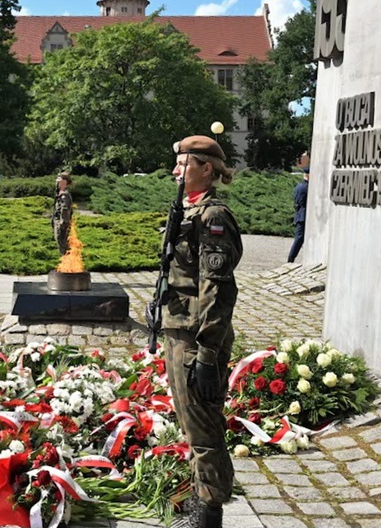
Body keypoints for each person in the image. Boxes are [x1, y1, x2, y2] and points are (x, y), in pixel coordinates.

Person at [161, 135, 242, 528]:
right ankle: (199, 501)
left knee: (204, 428)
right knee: (191, 425)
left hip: (197, 338)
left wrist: (208, 354)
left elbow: (218, 289)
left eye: (184, 164)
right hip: (178, 329)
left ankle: (209, 515)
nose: (176, 171)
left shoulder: (213, 218)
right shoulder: (188, 210)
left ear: (206, 169)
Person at [287, 166, 309, 264]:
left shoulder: (299, 186)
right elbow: (302, 203)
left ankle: (291, 258)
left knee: (300, 238)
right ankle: (291, 259)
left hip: (300, 214)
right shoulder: (305, 187)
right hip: (303, 216)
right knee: (299, 238)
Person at [51, 172, 73, 255]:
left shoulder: (64, 195)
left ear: (64, 181)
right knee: (61, 244)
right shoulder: (60, 194)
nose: (57, 182)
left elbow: (65, 210)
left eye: (59, 180)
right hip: (59, 223)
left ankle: (67, 264)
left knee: (63, 246)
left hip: (62, 225)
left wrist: (62, 224)